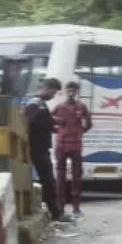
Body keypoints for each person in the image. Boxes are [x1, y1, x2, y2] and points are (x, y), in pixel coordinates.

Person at [24, 77, 66, 222]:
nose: (53, 96)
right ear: (48, 89)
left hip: (40, 147)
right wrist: (50, 124)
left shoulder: (39, 104)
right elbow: (32, 123)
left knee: (47, 179)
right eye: (54, 92)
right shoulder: (35, 104)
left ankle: (55, 211)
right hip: (38, 147)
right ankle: (56, 213)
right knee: (48, 180)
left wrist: (53, 123)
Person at [52, 80, 92, 218]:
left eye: (73, 90)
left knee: (77, 177)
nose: (71, 92)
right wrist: (59, 131)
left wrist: (79, 132)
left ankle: (76, 207)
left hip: (76, 146)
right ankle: (60, 206)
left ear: (76, 92)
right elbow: (49, 122)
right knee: (60, 177)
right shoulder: (58, 107)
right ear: (65, 91)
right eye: (69, 89)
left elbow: (89, 123)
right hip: (62, 146)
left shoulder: (81, 107)